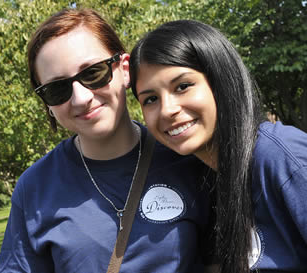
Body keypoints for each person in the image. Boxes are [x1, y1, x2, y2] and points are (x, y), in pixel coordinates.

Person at [0, 9, 217, 273]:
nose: (80, 98)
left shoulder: (188, 157)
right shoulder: (34, 187)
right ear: (47, 104)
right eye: (58, 89)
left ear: (124, 70)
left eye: (92, 73)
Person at [129, 19, 307, 273]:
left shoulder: (282, 158)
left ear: (221, 80)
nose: (167, 110)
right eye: (151, 99)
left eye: (182, 86)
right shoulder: (202, 178)